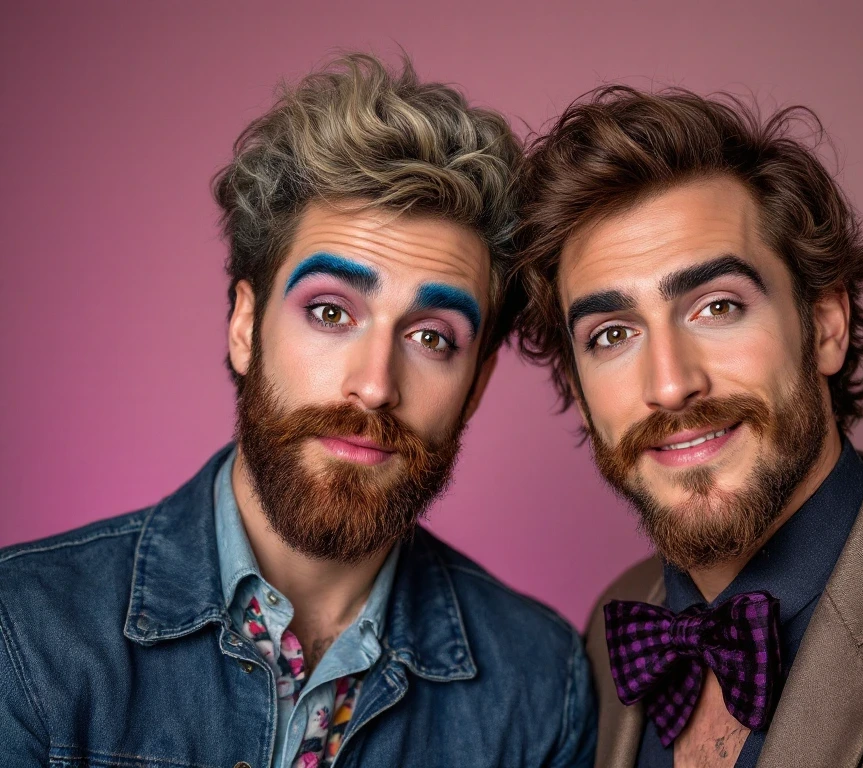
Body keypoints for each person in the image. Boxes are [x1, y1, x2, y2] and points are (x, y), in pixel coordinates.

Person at [0, 54, 595, 768]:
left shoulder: (541, 690)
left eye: (432, 337)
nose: (374, 386)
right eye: (330, 312)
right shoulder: (25, 632)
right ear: (244, 327)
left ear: (477, 384)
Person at [513, 85, 863, 767]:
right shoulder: (613, 630)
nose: (670, 385)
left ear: (826, 326)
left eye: (718, 307)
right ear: (579, 394)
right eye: (611, 334)